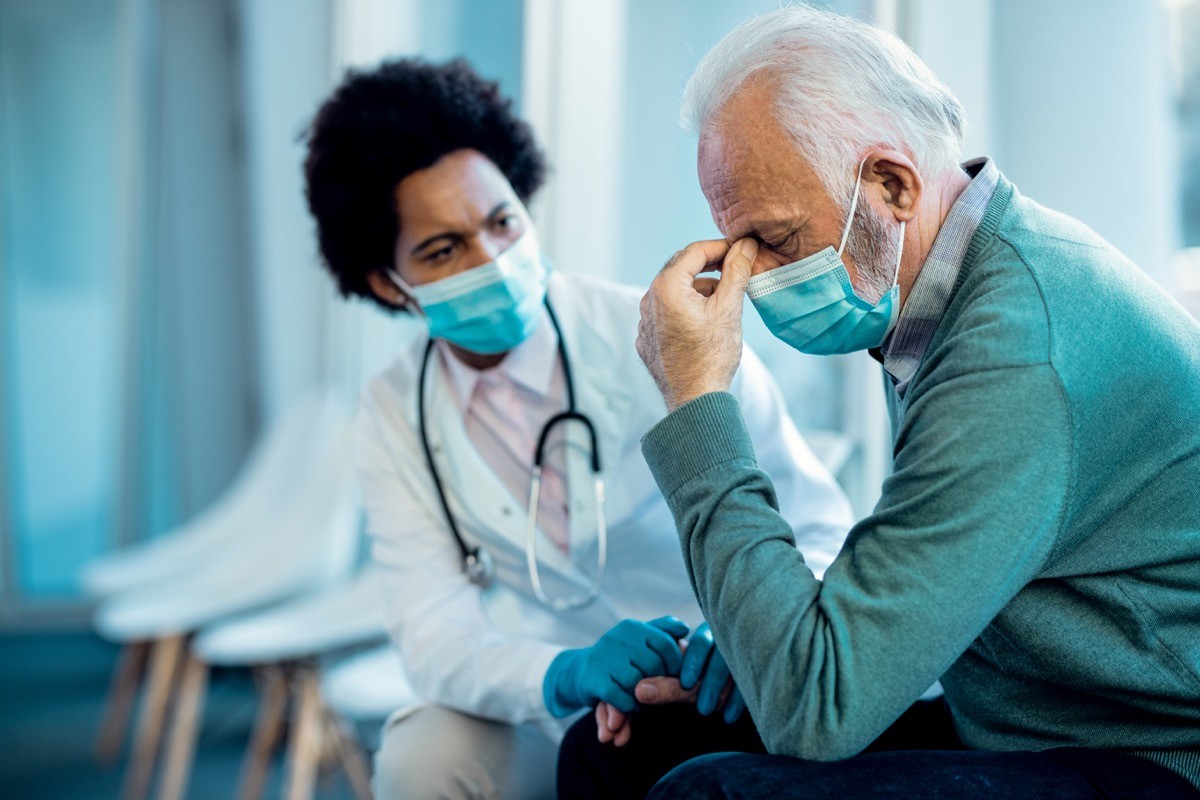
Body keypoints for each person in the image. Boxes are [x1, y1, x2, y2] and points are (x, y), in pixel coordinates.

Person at [559, 6, 1200, 799]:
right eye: (740, 246)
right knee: (617, 752)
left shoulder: (1021, 348)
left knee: (710, 794)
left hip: (1143, 752)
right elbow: (900, 590)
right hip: (1010, 711)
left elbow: (815, 709)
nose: (752, 278)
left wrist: (697, 399)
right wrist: (756, 642)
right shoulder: (942, 286)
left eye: (777, 239)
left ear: (891, 184)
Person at [301, 57, 854, 799]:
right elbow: (432, 634)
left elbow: (824, 532)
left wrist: (749, 635)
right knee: (421, 755)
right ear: (385, 282)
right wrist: (563, 672)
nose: (490, 261)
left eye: (502, 223)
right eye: (442, 250)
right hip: (563, 699)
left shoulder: (664, 334)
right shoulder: (396, 410)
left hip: (726, 683)